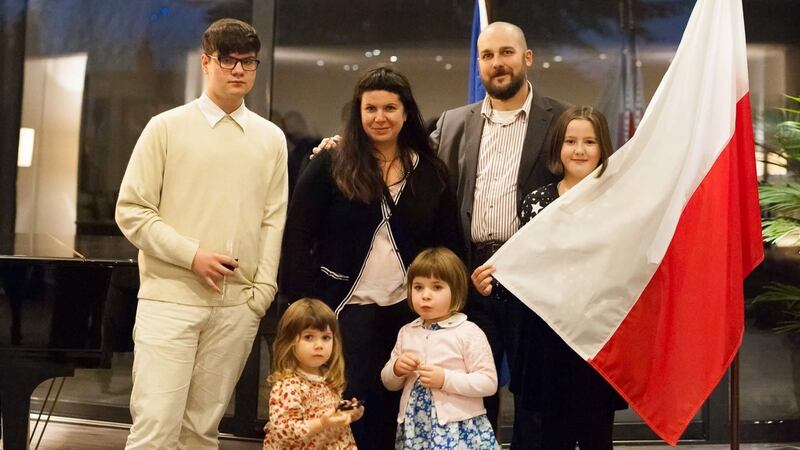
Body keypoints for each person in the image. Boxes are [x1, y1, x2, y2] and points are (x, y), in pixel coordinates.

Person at [115, 18, 287, 449]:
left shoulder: (271, 138)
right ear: (207, 61)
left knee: (201, 432)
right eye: (228, 60)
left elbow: (273, 219)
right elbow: (132, 211)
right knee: (154, 429)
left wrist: (260, 293)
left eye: (248, 62)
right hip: (169, 299)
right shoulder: (166, 127)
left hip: (237, 307)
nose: (238, 71)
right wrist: (192, 255)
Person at [280, 66, 463, 450]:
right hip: (346, 313)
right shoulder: (330, 163)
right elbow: (297, 236)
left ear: (406, 112)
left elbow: (448, 247)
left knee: (401, 412)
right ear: (358, 113)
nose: (380, 118)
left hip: (411, 315)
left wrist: (450, 309)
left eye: (390, 108)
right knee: (350, 412)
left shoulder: (429, 171)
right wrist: (308, 302)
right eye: (370, 109)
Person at [429, 21, 570, 447]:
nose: (497, 63)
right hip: (469, 279)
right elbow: (405, 163)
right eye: (487, 56)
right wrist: (339, 146)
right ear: (479, 65)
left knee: (533, 397)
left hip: (534, 282)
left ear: (527, 58)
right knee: (470, 393)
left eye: (506, 52)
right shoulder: (453, 123)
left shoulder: (561, 120)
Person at [472, 106, 627, 450]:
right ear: (558, 146)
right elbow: (528, 268)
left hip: (595, 337)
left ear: (603, 148)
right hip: (546, 338)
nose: (580, 150)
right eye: (571, 141)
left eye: (589, 141)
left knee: (596, 434)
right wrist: (494, 285)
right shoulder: (536, 201)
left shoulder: (618, 202)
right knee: (549, 434)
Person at [382, 247, 499, 450]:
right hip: (416, 430)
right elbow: (389, 382)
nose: (425, 295)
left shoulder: (468, 332)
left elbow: (488, 382)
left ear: (456, 290)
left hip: (460, 430)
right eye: (418, 287)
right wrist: (397, 369)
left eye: (437, 287)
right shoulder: (407, 332)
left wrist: (445, 379)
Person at [263, 298, 363, 449]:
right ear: (290, 342)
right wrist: (322, 423)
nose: (319, 345)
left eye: (326, 337)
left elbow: (331, 417)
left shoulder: (329, 377)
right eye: (309, 337)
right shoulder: (288, 386)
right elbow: (283, 431)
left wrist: (348, 413)